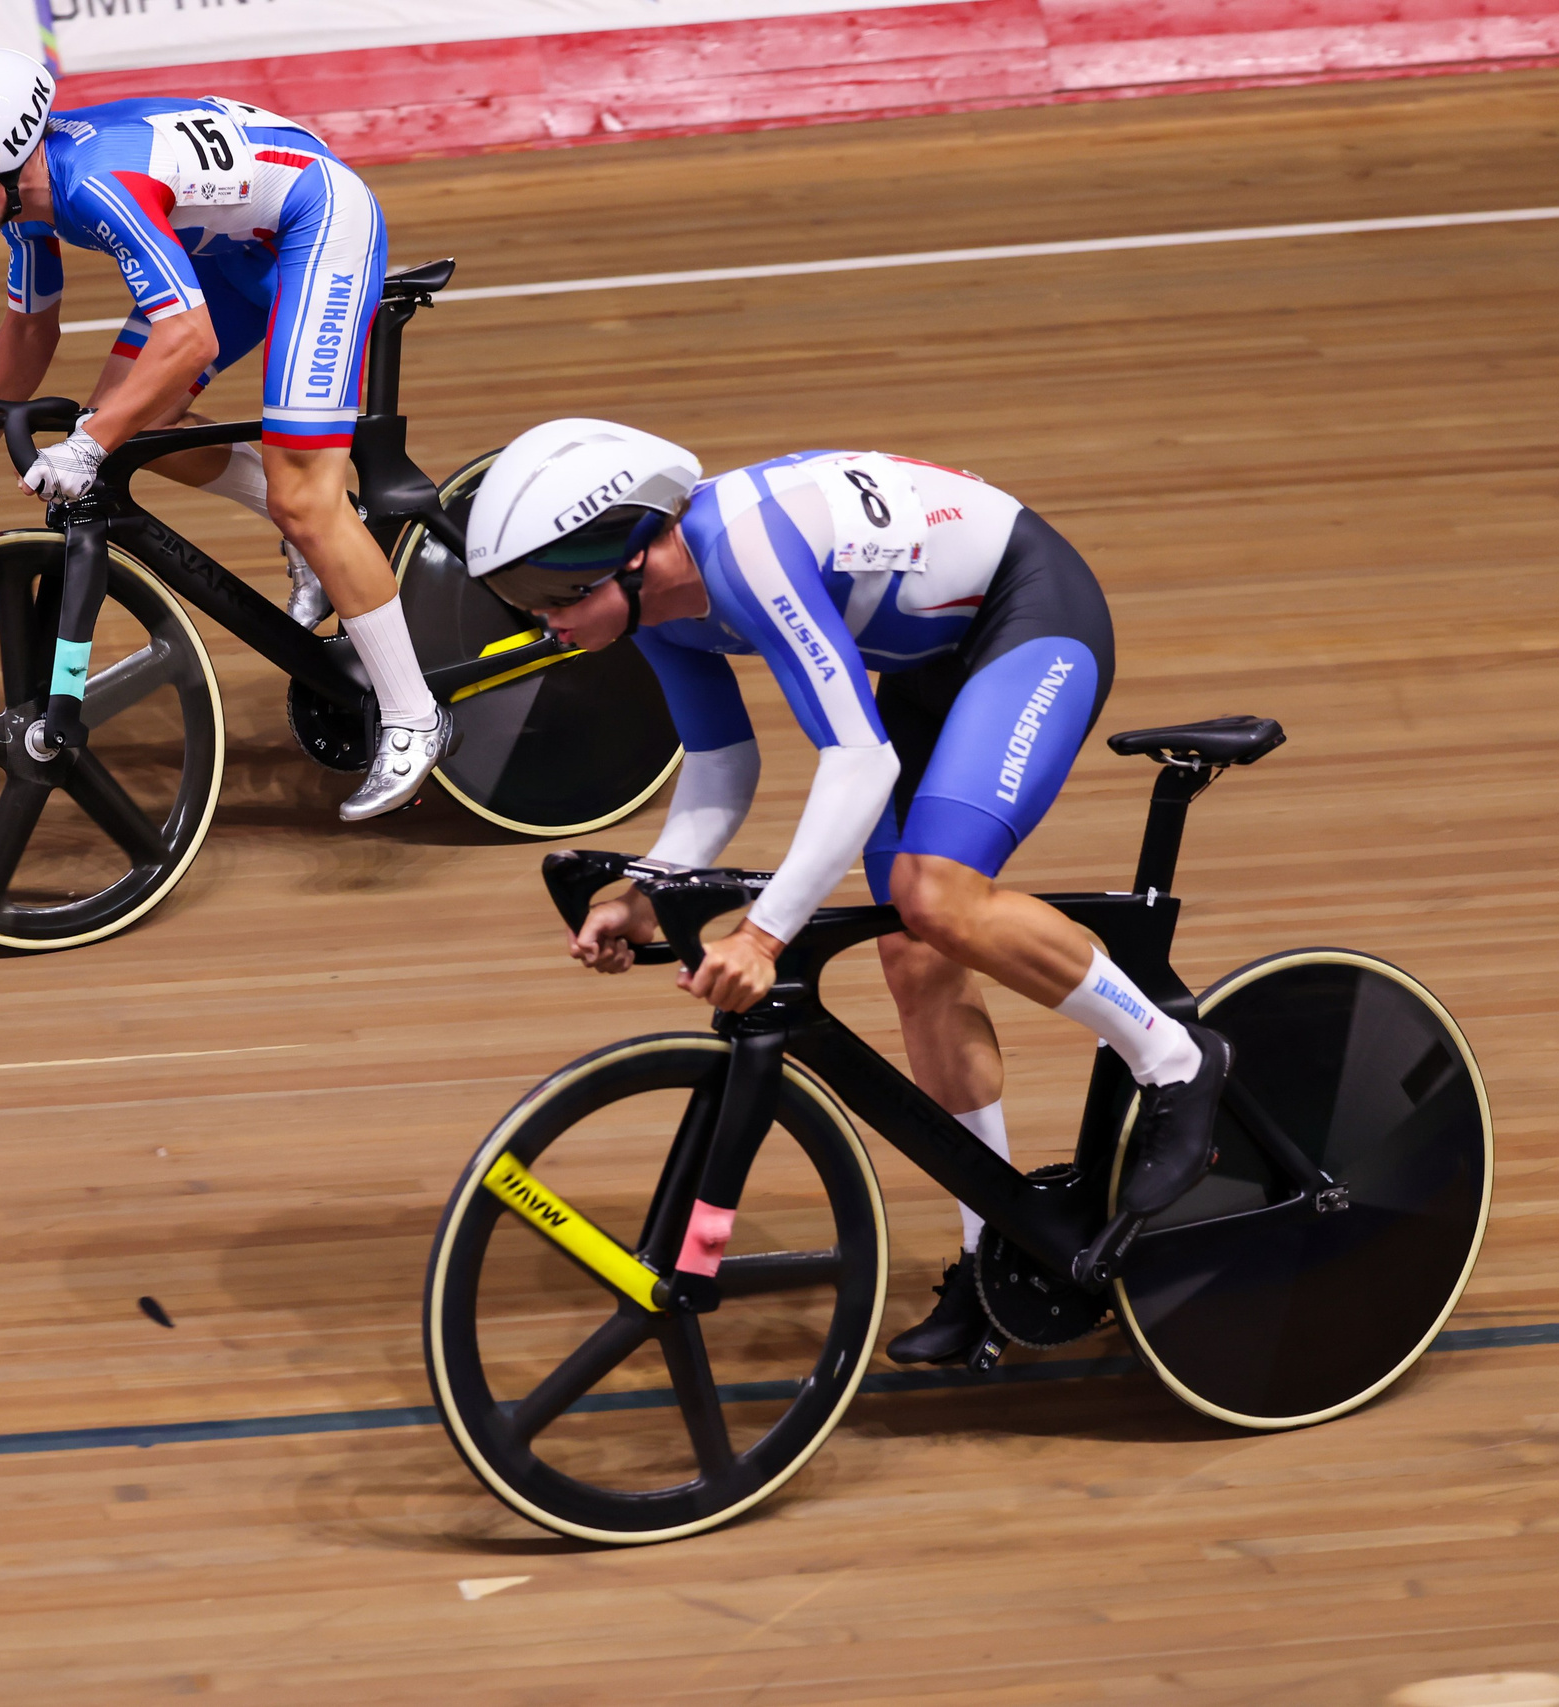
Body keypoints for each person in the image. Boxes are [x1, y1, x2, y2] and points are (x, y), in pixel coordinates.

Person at [460, 420, 1231, 1364]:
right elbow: (721, 766)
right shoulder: (658, 608)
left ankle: (1175, 1057)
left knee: (936, 896)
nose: (540, 621)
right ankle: (998, 1253)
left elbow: (859, 762)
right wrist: (646, 890)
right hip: (933, 666)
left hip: (1031, 617)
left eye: (548, 595)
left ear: (627, 554)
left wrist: (764, 936)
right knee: (915, 955)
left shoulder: (746, 551)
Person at [0, 48, 450, 820]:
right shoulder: (28, 200)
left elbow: (189, 340)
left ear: (6, 148)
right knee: (132, 424)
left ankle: (415, 717)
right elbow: (29, 328)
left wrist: (86, 445)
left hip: (313, 222)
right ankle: (326, 536)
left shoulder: (92, 186)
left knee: (297, 494)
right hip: (228, 243)